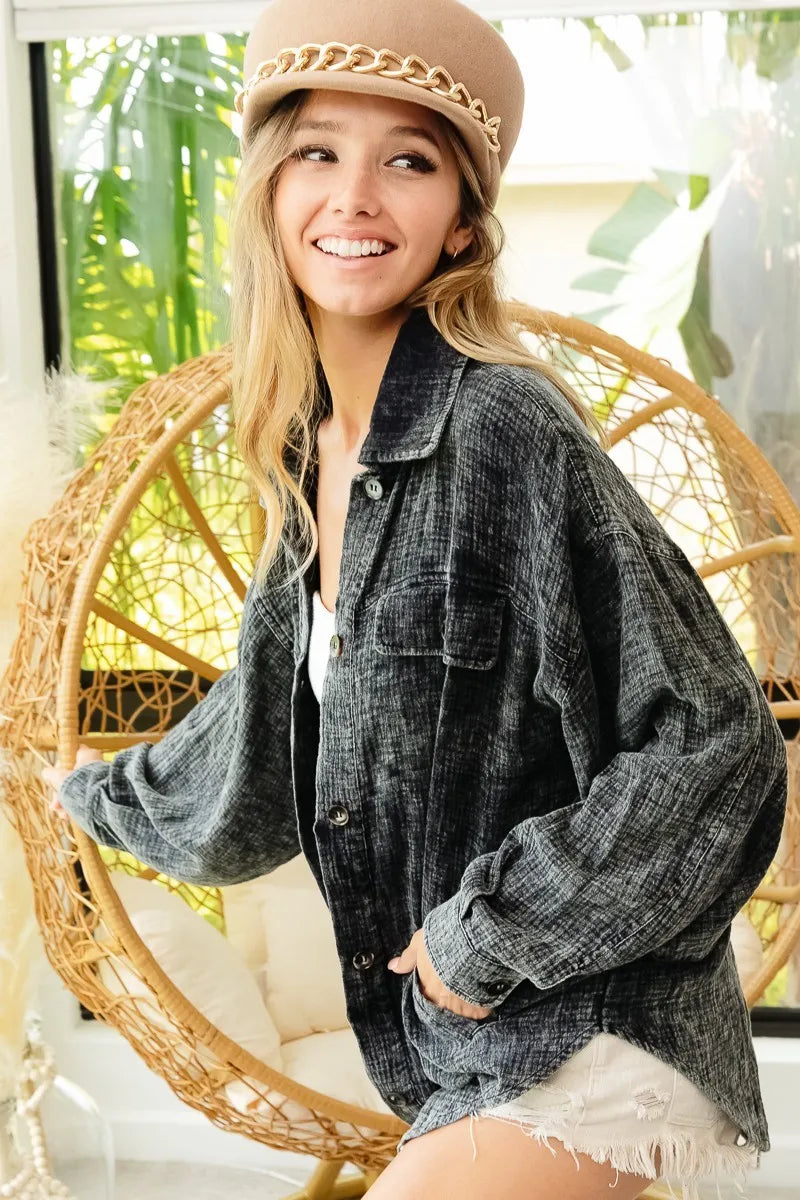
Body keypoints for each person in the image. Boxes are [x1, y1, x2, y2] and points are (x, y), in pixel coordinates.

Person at [44, 1, 788, 1197]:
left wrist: (480, 933)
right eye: (317, 153)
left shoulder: (506, 427)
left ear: (459, 227)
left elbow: (717, 743)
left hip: (587, 1030)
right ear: (269, 196)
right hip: (457, 1054)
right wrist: (91, 791)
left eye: (408, 161)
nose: (354, 195)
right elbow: (257, 747)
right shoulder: (302, 455)